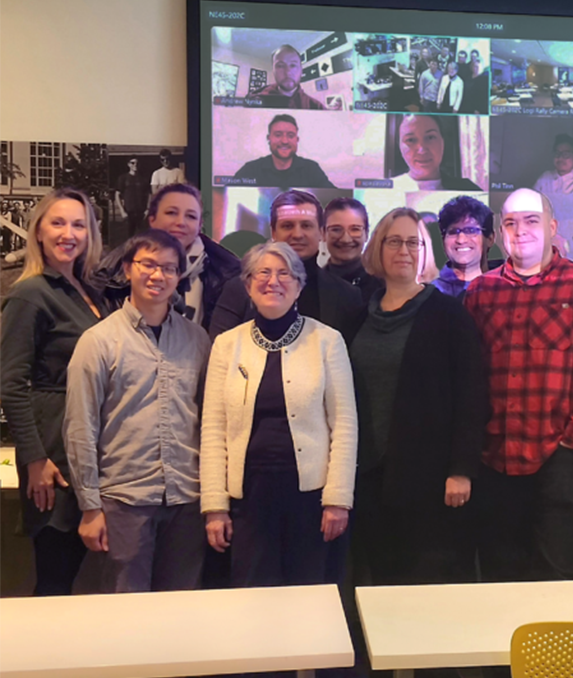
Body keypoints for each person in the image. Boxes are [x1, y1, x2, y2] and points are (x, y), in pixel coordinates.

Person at [464, 188, 573, 581]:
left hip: (559, 456)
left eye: (532, 220)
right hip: (494, 457)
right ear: (499, 233)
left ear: (551, 227)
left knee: (559, 574)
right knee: (500, 574)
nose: (521, 230)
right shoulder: (480, 292)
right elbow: (467, 375)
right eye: (511, 223)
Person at [201, 241, 357, 589]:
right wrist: (215, 506)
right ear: (248, 285)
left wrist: (337, 500)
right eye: (263, 273)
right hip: (248, 500)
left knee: (310, 601)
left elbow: (345, 426)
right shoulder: (227, 345)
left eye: (284, 273)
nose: (274, 281)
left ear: (299, 285)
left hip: (311, 500)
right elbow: (213, 429)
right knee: (252, 600)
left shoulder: (327, 341)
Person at [64, 229, 210, 593]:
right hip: (124, 503)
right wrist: (90, 507)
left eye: (169, 268)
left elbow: (211, 422)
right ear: (128, 269)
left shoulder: (198, 340)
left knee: (180, 615)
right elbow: (80, 428)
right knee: (126, 619)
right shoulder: (98, 341)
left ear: (179, 276)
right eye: (148, 265)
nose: (158, 276)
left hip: (187, 501)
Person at [349, 207, 488, 588]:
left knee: (427, 584)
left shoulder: (449, 315)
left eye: (414, 242)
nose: (404, 250)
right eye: (395, 241)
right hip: (368, 478)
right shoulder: (357, 319)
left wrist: (461, 469)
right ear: (378, 248)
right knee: (376, 582)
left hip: (430, 481)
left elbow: (471, 396)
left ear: (426, 252)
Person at [0, 189, 106, 595]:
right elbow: (10, 383)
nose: (69, 233)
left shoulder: (84, 289)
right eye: (58, 223)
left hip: (88, 439)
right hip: (53, 450)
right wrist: (34, 458)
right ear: (38, 232)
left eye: (79, 224)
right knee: (56, 576)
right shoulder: (30, 294)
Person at [210, 189, 363, 343]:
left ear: (321, 233)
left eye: (306, 225)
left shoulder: (347, 296)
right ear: (274, 233)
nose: (297, 234)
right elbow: (222, 352)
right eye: (287, 226)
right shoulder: (239, 289)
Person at [96, 182, 241, 332]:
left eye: (191, 216)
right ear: (152, 219)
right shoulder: (111, 272)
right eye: (171, 213)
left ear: (199, 225)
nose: (180, 222)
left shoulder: (228, 272)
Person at [232, 114, 333, 189]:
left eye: (290, 136)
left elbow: (336, 200)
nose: (284, 141)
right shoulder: (251, 169)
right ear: (269, 138)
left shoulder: (311, 169)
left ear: (297, 140)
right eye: (278, 135)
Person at [391, 114, 481, 191]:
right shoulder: (388, 190)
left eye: (430, 137)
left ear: (442, 141)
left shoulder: (467, 189)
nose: (422, 150)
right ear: (399, 145)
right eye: (410, 140)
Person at [433, 195, 499, 298]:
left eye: (471, 231)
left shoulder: (508, 286)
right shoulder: (431, 293)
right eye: (453, 232)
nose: (461, 240)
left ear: (490, 239)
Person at [324, 196, 383, 303]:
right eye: (336, 230)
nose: (346, 239)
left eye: (355, 229)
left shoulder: (383, 285)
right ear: (323, 234)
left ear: (366, 233)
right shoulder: (311, 284)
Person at [248, 44, 326, 110]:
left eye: (293, 65)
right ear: (273, 71)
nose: (288, 72)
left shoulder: (316, 107)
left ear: (301, 70)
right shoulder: (254, 100)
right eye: (280, 66)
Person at [114, 157, 149, 236]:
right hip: (128, 213)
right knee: (129, 239)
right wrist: (122, 211)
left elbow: (148, 194)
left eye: (137, 163)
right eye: (132, 163)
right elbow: (117, 195)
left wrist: (147, 209)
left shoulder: (143, 179)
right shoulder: (123, 178)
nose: (135, 165)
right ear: (128, 164)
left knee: (143, 238)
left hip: (141, 213)